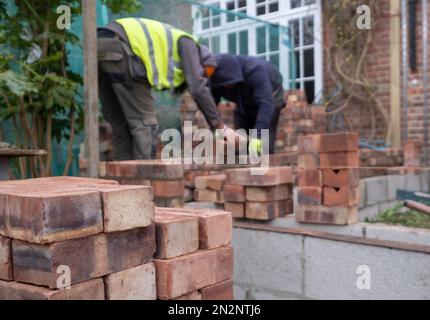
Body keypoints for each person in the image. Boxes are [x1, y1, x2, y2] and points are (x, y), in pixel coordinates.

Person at [97, 18, 231, 160]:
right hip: (121, 47)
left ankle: (123, 179)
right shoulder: (188, 42)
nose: (202, 76)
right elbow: (197, 87)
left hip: (99, 44)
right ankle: (143, 178)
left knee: (122, 127)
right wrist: (219, 125)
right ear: (200, 59)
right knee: (146, 125)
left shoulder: (172, 42)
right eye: (203, 72)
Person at [209, 54, 286, 155]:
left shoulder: (255, 71)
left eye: (230, 84)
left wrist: (258, 136)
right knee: (240, 148)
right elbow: (211, 109)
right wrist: (217, 130)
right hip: (244, 103)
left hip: (271, 98)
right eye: (225, 85)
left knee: (262, 149)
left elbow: (266, 105)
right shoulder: (216, 80)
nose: (227, 87)